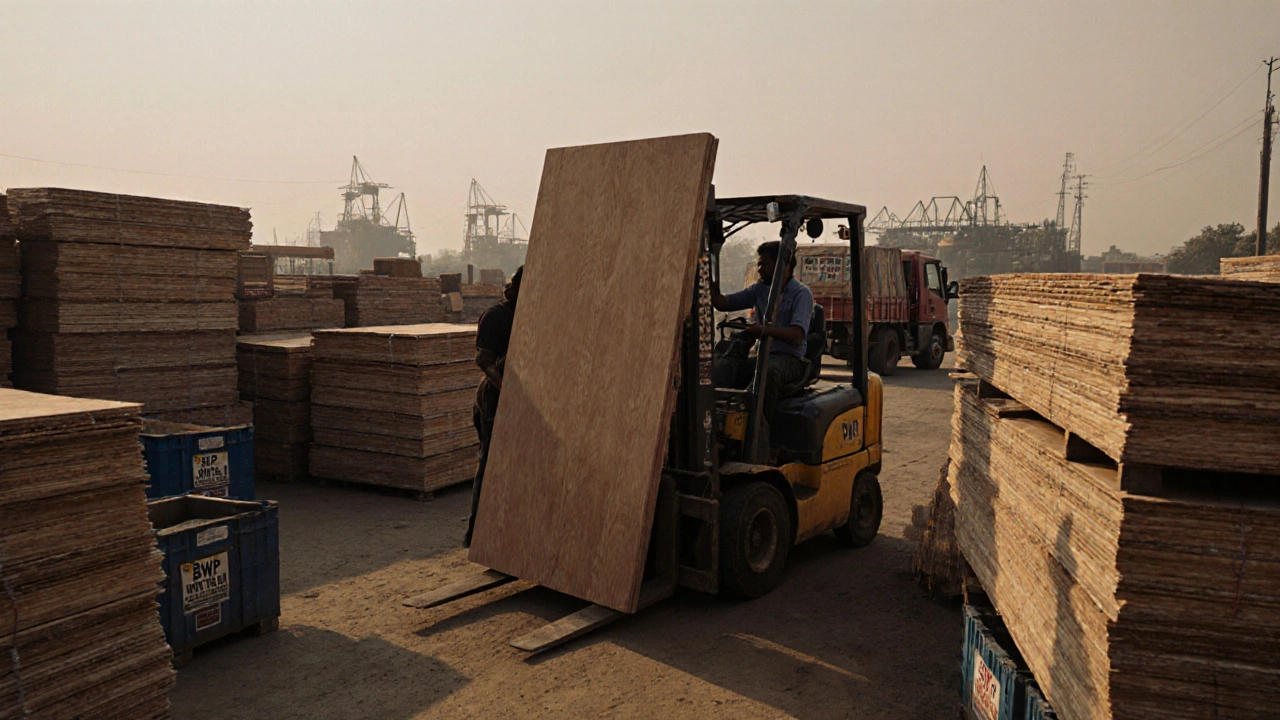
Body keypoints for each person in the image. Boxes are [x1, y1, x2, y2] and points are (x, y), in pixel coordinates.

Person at [711, 241, 813, 423]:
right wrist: (706, 278)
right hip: (764, 355)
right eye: (759, 264)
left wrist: (763, 331)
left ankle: (758, 430)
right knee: (728, 367)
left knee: (767, 374)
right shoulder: (760, 290)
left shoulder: (801, 294)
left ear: (783, 266)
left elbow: (797, 335)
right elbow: (722, 303)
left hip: (790, 359)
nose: (759, 269)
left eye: (764, 264)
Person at [463, 265, 522, 548]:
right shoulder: (497, 316)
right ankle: (479, 539)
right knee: (491, 464)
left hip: (526, 401)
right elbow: (483, 360)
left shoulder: (533, 314)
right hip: (495, 400)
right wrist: (506, 389)